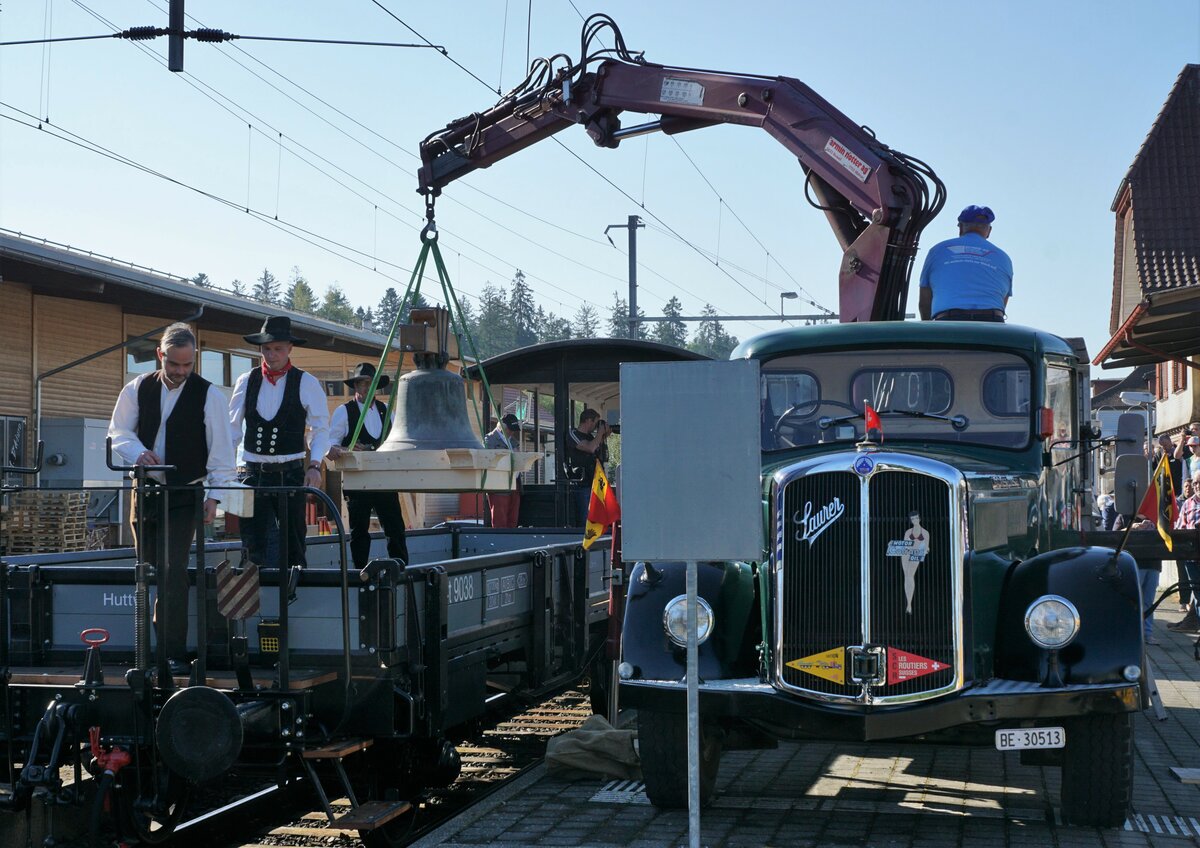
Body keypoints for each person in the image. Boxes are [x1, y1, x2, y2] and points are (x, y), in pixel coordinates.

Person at [109, 322, 237, 675]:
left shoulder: (209, 395)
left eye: (188, 365)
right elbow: (118, 431)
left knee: (172, 569)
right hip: (146, 493)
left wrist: (215, 497)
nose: (181, 372)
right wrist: (137, 452)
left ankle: (172, 653)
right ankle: (146, 649)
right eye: (174, 365)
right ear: (159, 356)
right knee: (148, 568)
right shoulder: (137, 387)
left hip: (185, 492)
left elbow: (222, 454)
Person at [230, 316, 331, 599]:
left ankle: (296, 599)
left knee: (294, 541)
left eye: (277, 349)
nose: (271, 355)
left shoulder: (306, 382)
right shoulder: (246, 380)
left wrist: (315, 465)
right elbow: (232, 428)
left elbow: (320, 428)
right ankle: (251, 603)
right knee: (252, 542)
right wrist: (224, 470)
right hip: (251, 471)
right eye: (266, 349)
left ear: (289, 349)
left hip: (290, 471)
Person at [327, 362, 409, 569]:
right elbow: (330, 445)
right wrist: (350, 448)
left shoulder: (387, 411)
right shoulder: (344, 411)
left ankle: (399, 569)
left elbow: (395, 443)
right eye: (361, 383)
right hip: (357, 481)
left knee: (395, 528)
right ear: (355, 386)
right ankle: (359, 572)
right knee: (359, 531)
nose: (365, 387)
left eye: (369, 383)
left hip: (384, 479)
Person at [918, 205, 1013, 322]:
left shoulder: (938, 250)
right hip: (992, 323)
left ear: (961, 227)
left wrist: (929, 329)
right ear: (989, 230)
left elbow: (925, 301)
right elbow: (1003, 301)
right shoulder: (1003, 257)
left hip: (949, 322)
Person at [1114, 513, 1162, 645]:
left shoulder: (1157, 516)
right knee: (1131, 599)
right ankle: (1128, 632)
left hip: (1153, 564)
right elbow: (1113, 536)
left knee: (1148, 601)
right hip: (1133, 564)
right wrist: (1132, 527)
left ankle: (1147, 633)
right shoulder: (1124, 517)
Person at [564, 408, 611, 526]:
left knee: (598, 520)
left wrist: (604, 436)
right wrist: (600, 433)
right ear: (589, 420)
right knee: (586, 520)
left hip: (596, 482)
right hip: (583, 484)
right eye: (596, 423)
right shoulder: (573, 434)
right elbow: (590, 448)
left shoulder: (591, 437)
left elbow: (599, 452)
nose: (596, 427)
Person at [1169, 470, 1200, 634]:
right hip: (1191, 557)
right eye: (1194, 483)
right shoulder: (1188, 503)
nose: (1196, 486)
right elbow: (1180, 527)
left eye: (1198, 482)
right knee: (1198, 592)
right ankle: (1193, 622)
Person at [483, 413, 523, 528]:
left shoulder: (513, 440)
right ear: (501, 426)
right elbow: (488, 459)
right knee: (500, 520)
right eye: (510, 429)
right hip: (498, 485)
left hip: (514, 484)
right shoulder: (489, 439)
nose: (512, 433)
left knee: (513, 518)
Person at [901, 511, 929, 614]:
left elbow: (926, 546)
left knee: (910, 575)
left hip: (916, 554)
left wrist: (925, 549)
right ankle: (908, 603)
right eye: (913, 519)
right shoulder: (908, 532)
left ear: (919, 519)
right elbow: (905, 544)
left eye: (916, 518)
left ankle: (909, 604)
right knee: (906, 575)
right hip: (906, 554)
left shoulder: (925, 533)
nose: (915, 520)